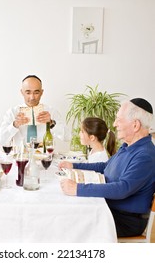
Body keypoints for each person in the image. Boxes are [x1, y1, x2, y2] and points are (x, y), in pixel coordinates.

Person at [59, 98, 155, 237]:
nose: (114, 124)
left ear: (135, 125)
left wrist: (77, 188)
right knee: (66, 213)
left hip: (125, 220)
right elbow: (105, 166)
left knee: (69, 223)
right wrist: (73, 165)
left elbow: (122, 188)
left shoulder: (145, 155)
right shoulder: (128, 146)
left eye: (118, 119)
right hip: (110, 209)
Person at [0, 75, 65, 147]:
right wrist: (14, 125)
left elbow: (67, 137)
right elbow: (1, 141)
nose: (32, 97)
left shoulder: (51, 111)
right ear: (22, 92)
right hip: (20, 157)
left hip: (45, 156)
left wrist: (52, 123)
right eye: (28, 92)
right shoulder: (12, 113)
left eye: (36, 92)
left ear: (41, 92)